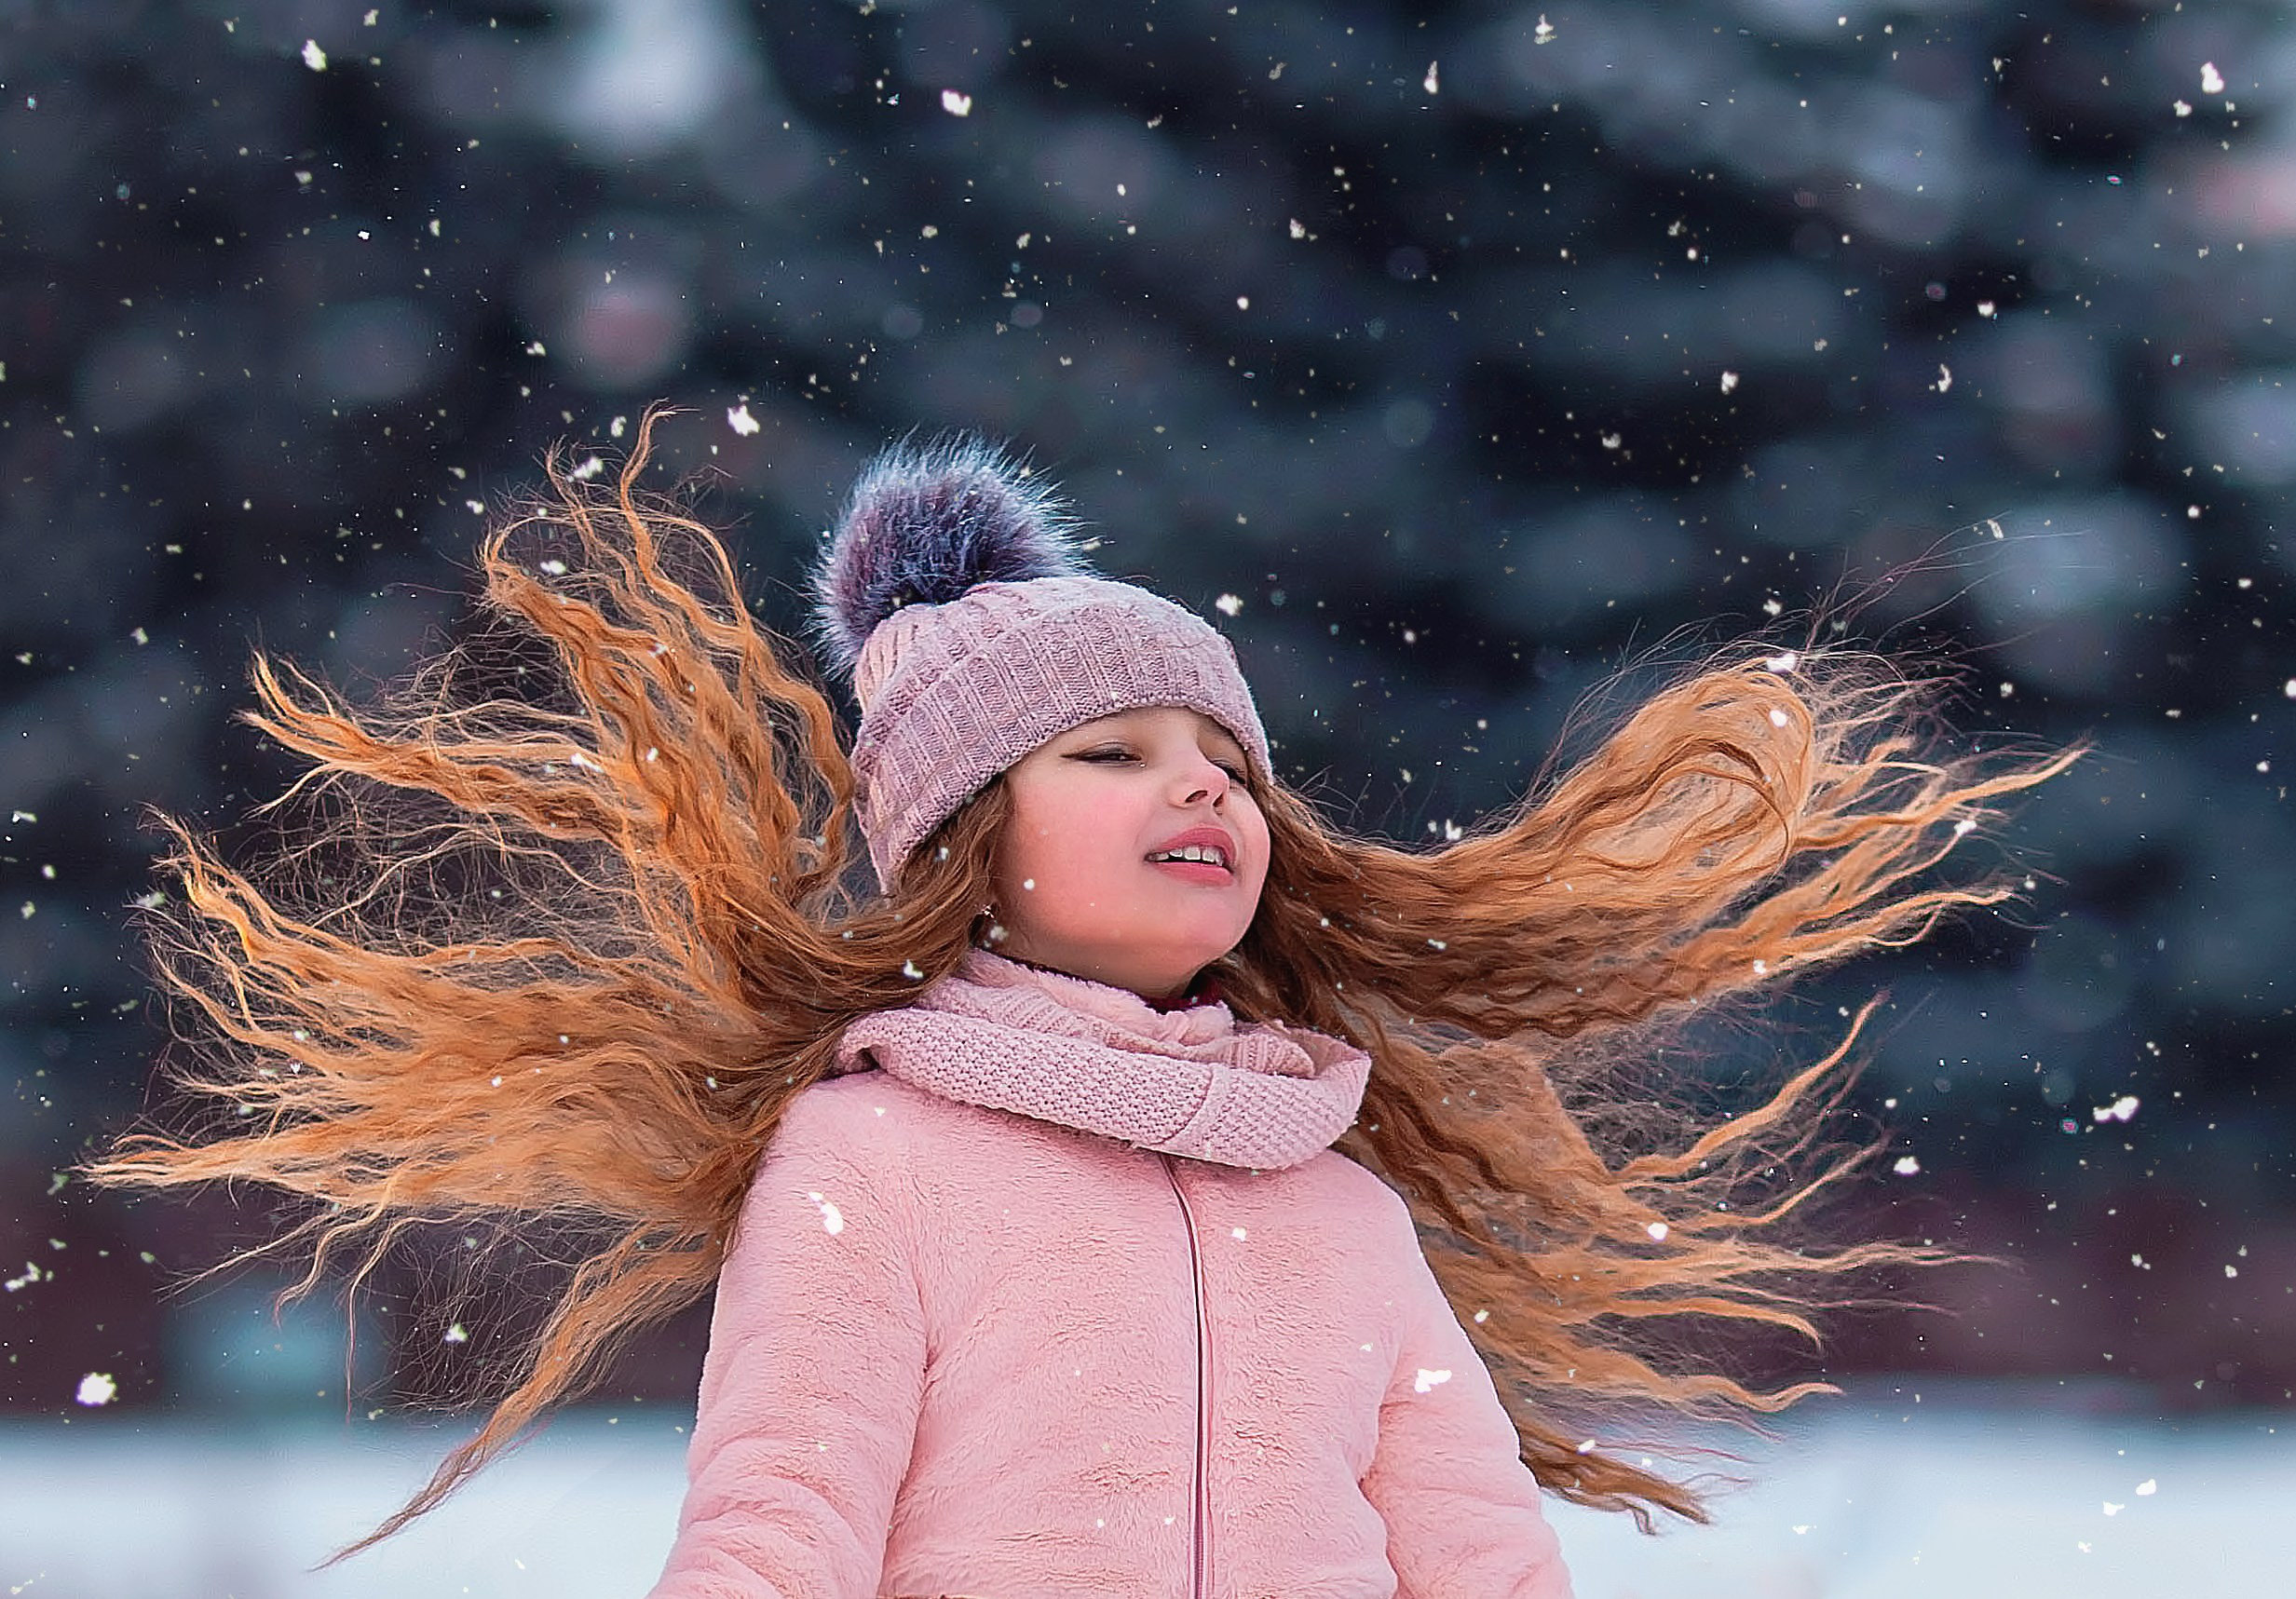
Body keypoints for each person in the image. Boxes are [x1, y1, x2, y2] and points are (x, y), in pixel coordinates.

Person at [94, 411, 2068, 1595]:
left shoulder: (1334, 1193)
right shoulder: (875, 1157)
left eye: (1224, 758)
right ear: (964, 835)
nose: (1198, 789)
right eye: (1112, 753)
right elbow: (782, 1515)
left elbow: (1480, 1556)